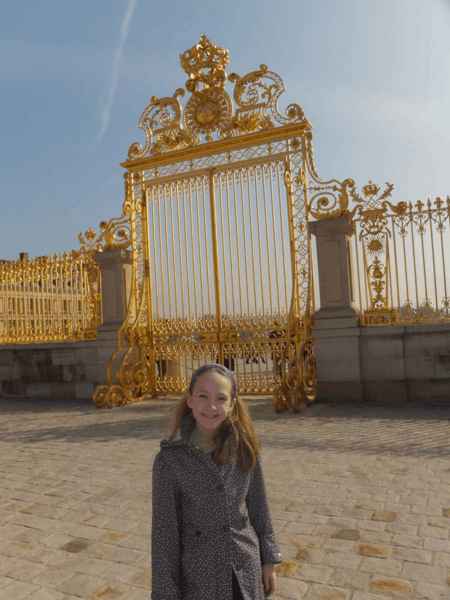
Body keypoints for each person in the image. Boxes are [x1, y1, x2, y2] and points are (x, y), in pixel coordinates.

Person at [151, 363, 282, 599]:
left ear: (232, 404)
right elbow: (164, 537)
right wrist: (165, 594)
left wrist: (268, 560)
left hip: (245, 569)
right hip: (200, 578)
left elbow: (259, 508)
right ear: (190, 399)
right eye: (203, 396)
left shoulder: (245, 448)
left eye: (221, 398)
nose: (211, 406)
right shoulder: (169, 461)